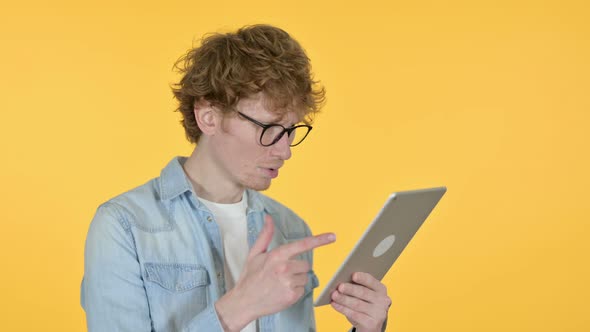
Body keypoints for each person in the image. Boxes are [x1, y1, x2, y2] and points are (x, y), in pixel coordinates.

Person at [81, 24, 391, 332]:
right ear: (208, 116)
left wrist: (368, 328)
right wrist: (239, 307)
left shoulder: (291, 229)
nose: (285, 151)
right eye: (269, 129)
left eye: (291, 131)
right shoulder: (124, 226)